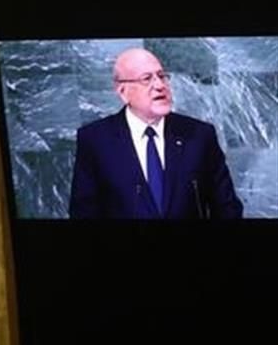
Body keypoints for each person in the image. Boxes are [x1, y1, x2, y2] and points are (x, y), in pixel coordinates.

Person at [68, 48, 242, 219]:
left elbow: (227, 208)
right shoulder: (95, 140)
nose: (160, 85)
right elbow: (83, 212)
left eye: (161, 76)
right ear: (123, 91)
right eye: (147, 79)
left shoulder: (199, 135)